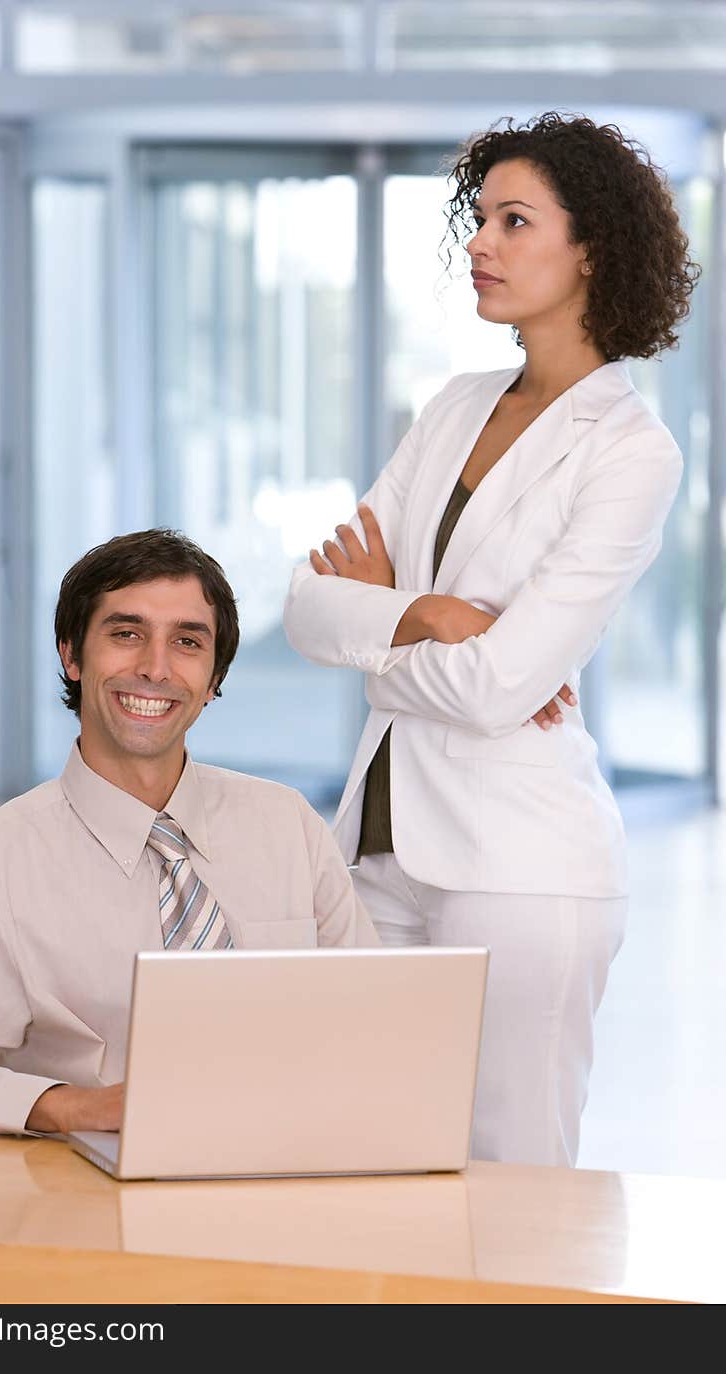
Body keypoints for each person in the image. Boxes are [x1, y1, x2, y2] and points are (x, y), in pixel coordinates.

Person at [283, 112, 700, 1167]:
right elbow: (303, 606)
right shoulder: (454, 404)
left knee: (517, 1185)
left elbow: (498, 685)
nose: (480, 243)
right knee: (362, 1157)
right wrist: (424, 616)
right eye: (479, 219)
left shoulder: (630, 452)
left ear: (591, 248)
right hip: (376, 849)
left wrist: (380, 627)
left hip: (521, 865)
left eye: (515, 222)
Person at [0, 530, 377, 1136]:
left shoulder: (289, 828)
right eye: (126, 635)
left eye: (186, 642)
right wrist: (68, 1106)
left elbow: (372, 1020)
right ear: (73, 656)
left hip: (292, 1167)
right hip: (82, 1192)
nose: (155, 668)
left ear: (213, 676)